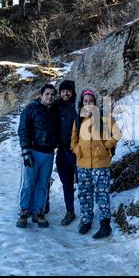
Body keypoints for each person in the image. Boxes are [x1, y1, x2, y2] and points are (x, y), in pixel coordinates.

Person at [71, 89, 122, 239]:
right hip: (82, 164)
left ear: (95, 102)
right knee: (85, 193)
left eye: (91, 101)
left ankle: (105, 225)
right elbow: (73, 138)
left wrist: (105, 146)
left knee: (102, 193)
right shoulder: (78, 119)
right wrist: (76, 150)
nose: (88, 104)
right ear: (82, 102)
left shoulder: (105, 116)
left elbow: (117, 134)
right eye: (85, 101)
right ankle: (86, 219)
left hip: (101, 163)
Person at [16, 84, 59, 228]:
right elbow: (23, 130)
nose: (50, 96)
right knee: (28, 183)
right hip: (33, 152)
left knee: (42, 185)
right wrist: (26, 151)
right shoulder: (31, 109)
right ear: (41, 95)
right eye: (47, 94)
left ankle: (38, 212)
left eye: (53, 94)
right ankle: (23, 212)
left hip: (48, 154)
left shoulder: (55, 111)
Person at [53, 79, 78, 225]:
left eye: (68, 91)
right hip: (62, 152)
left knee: (83, 182)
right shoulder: (56, 107)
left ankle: (89, 212)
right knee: (66, 183)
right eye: (62, 91)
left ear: (73, 91)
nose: (65, 93)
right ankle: (70, 211)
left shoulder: (78, 105)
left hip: (78, 152)